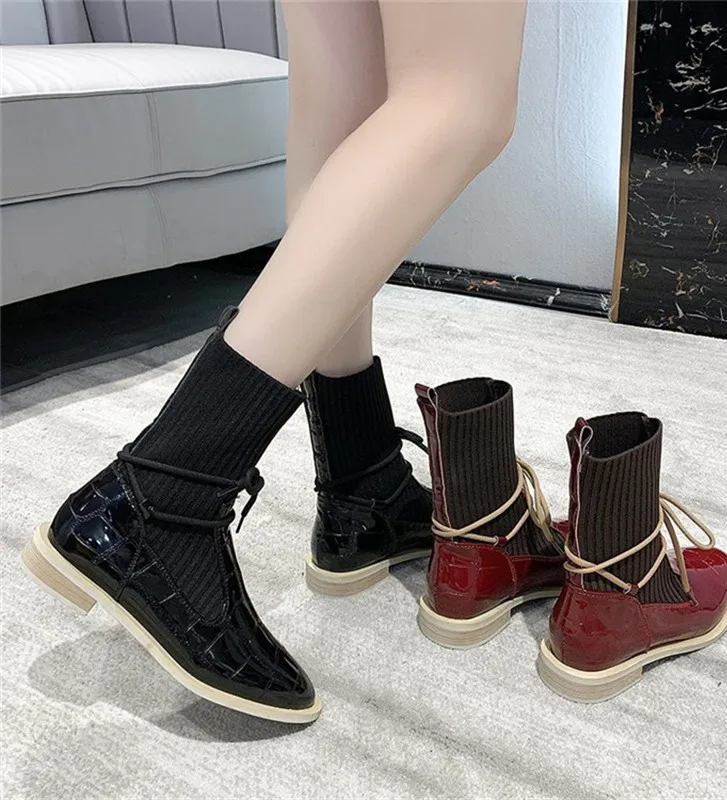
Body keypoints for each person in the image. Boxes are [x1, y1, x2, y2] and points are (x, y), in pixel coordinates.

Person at [20, 1, 529, 723]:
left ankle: (361, 477)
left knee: (345, 104)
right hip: (165, 488)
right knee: (459, 98)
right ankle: (166, 488)